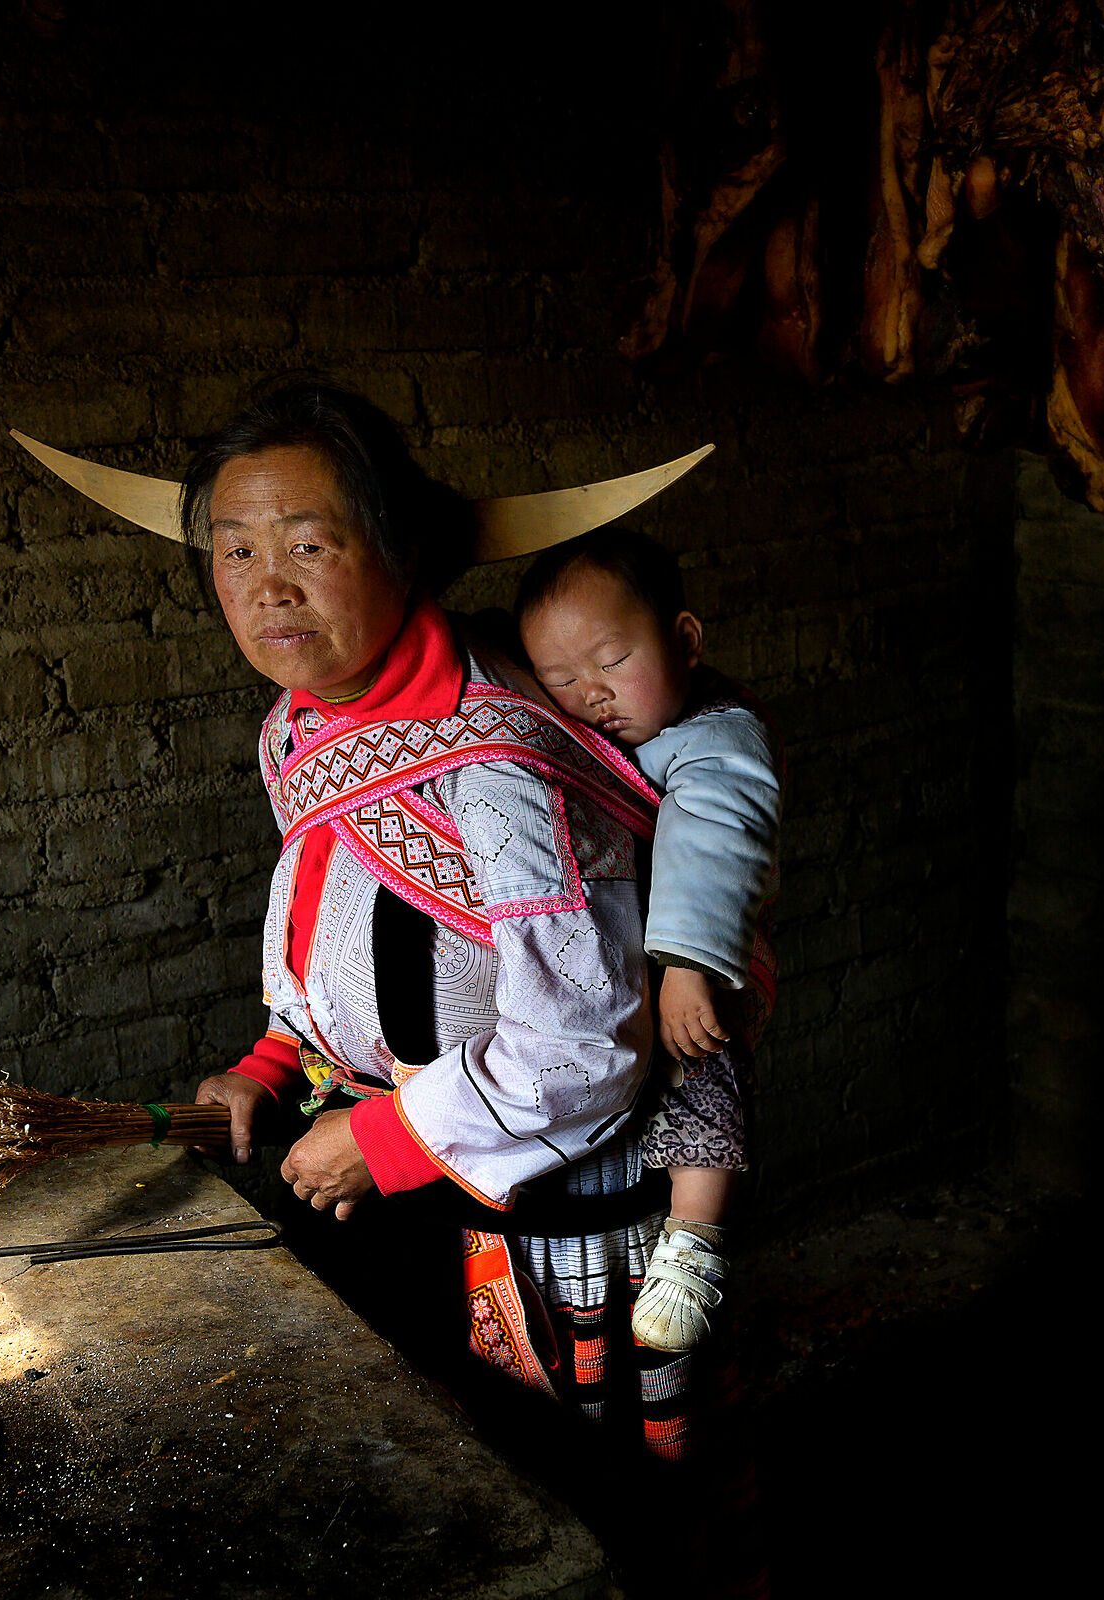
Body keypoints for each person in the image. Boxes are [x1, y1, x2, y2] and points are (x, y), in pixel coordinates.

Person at [183, 388, 761, 1596]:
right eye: (235, 552)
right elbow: (340, 926)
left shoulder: (498, 764)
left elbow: (583, 1047)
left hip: (538, 1208)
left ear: (400, 549)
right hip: (386, 1183)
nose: (267, 587)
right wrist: (274, 1064)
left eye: (308, 544)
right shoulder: (297, 729)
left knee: (583, 1519)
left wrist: (382, 1138)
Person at [513, 529, 780, 1353]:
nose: (592, 693)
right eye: (562, 679)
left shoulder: (716, 739)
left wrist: (686, 967)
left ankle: (695, 1244)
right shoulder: (617, 736)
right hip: (641, 969)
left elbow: (712, 849)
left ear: (686, 639)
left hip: (699, 964)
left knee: (702, 1064)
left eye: (612, 661)